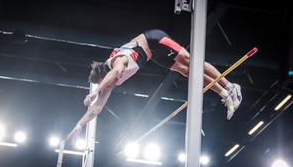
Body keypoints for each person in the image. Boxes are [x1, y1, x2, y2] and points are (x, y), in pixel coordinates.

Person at [67, 29, 242, 139]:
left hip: (154, 39)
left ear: (102, 76)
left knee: (190, 60)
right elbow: (98, 107)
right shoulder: (111, 83)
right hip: (153, 54)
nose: (106, 86)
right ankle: (225, 94)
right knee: (187, 71)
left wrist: (95, 91)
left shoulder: (115, 62)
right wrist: (80, 124)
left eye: (102, 83)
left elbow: (115, 73)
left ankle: (230, 85)